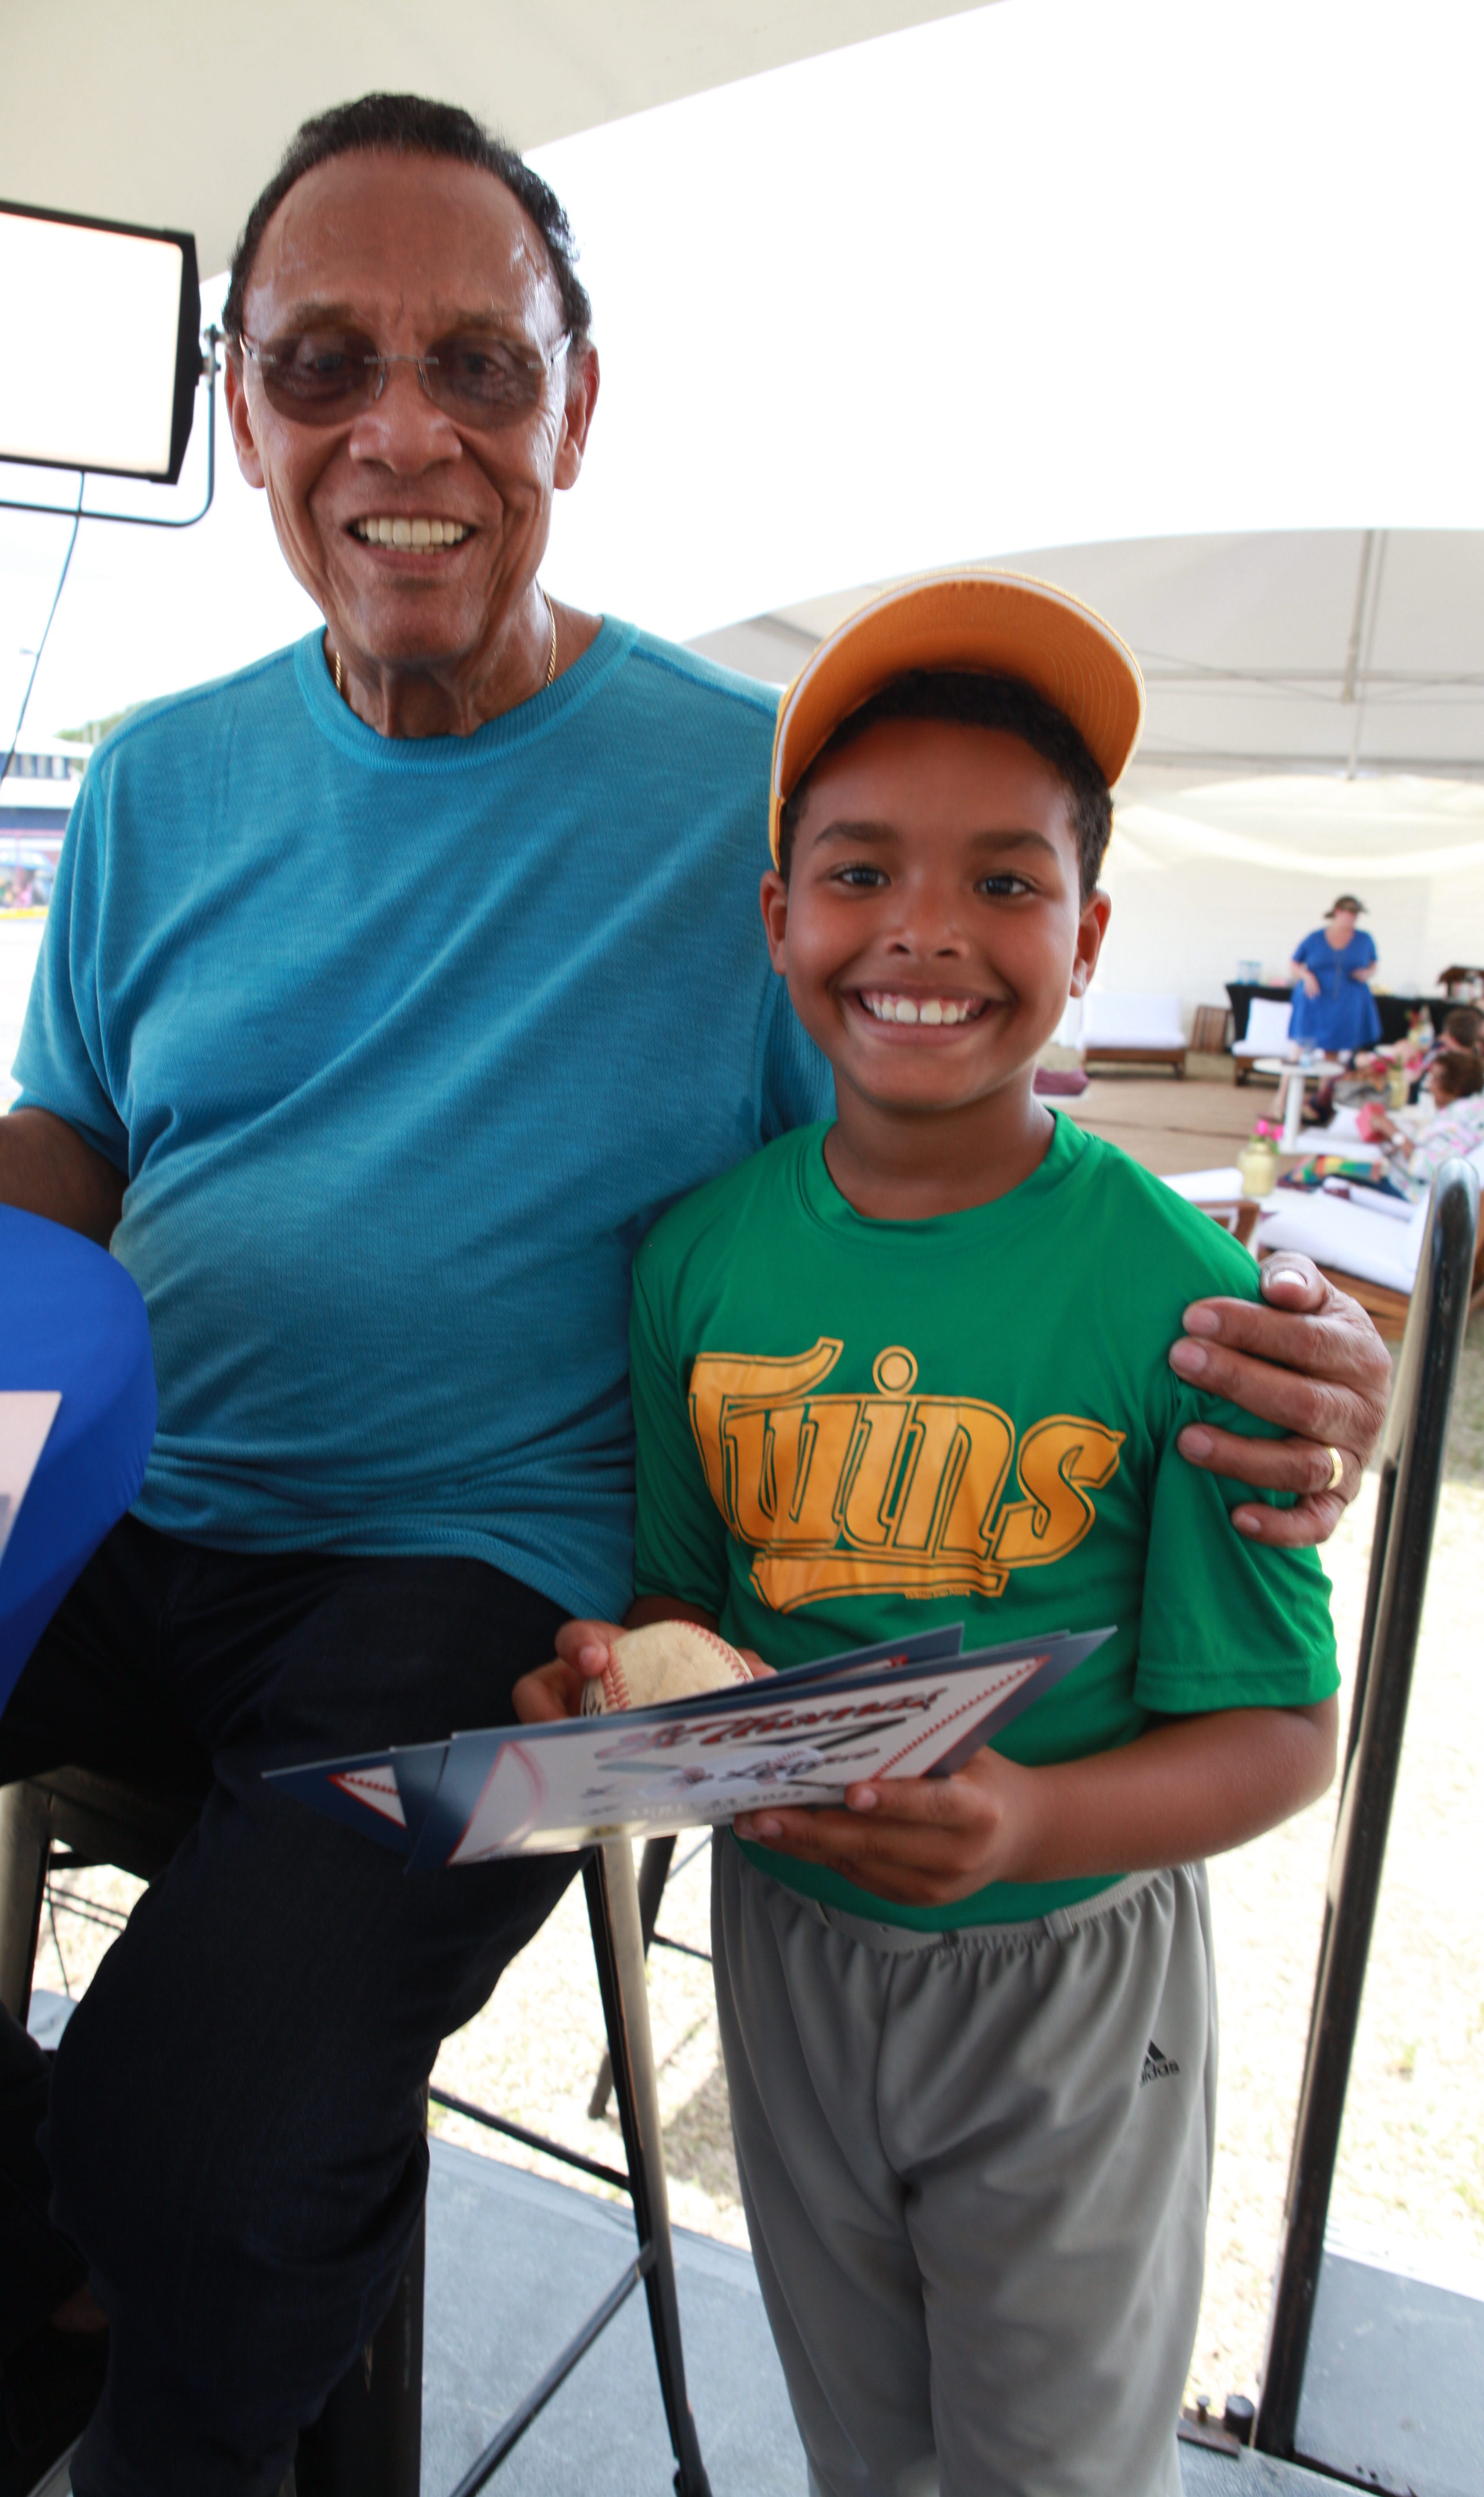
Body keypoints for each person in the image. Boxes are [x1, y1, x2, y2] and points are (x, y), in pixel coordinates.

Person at [0, 98, 1389, 2497]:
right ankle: (60, 2318)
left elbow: (960, 1161)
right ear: (242, 408)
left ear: (579, 402)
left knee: (213, 2132)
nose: (402, 431)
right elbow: (89, 1166)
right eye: (324, 364)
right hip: (129, 1509)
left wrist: (1268, 1344)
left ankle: (175, 2343)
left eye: (478, 363)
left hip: (480, 1580)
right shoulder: (153, 788)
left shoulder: (757, 808)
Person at [518, 574, 1342, 2497]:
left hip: (1066, 1968)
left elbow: (1289, 1736)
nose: (926, 935)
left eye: (1005, 882)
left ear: (1091, 932)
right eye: (863, 871)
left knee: (1049, 2466)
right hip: (787, 1948)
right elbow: (682, 1598)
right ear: (778, 919)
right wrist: (626, 1688)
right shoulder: (698, 1262)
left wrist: (1032, 1825)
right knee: (861, 2441)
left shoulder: (1187, 1296)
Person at [1364, 1043, 1484, 1181]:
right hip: (1393, 1174)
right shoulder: (1462, 1112)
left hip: (1404, 1189)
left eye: (1434, 1079)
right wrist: (1391, 1135)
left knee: (1336, 1175)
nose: (1430, 1085)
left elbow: (1428, 1168)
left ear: (1454, 1089)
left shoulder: (1461, 1119)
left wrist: (1392, 1132)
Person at [1287, 894, 1381, 1055]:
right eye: (1350, 913)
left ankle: (1328, 1081)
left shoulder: (1364, 939)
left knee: (1334, 1047)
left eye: (1356, 915)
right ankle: (1288, 1080)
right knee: (1302, 1044)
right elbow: (1294, 963)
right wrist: (1308, 977)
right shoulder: (1314, 938)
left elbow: (1374, 965)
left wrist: (1367, 973)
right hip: (1316, 999)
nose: (1354, 918)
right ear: (1338, 912)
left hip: (1347, 1002)